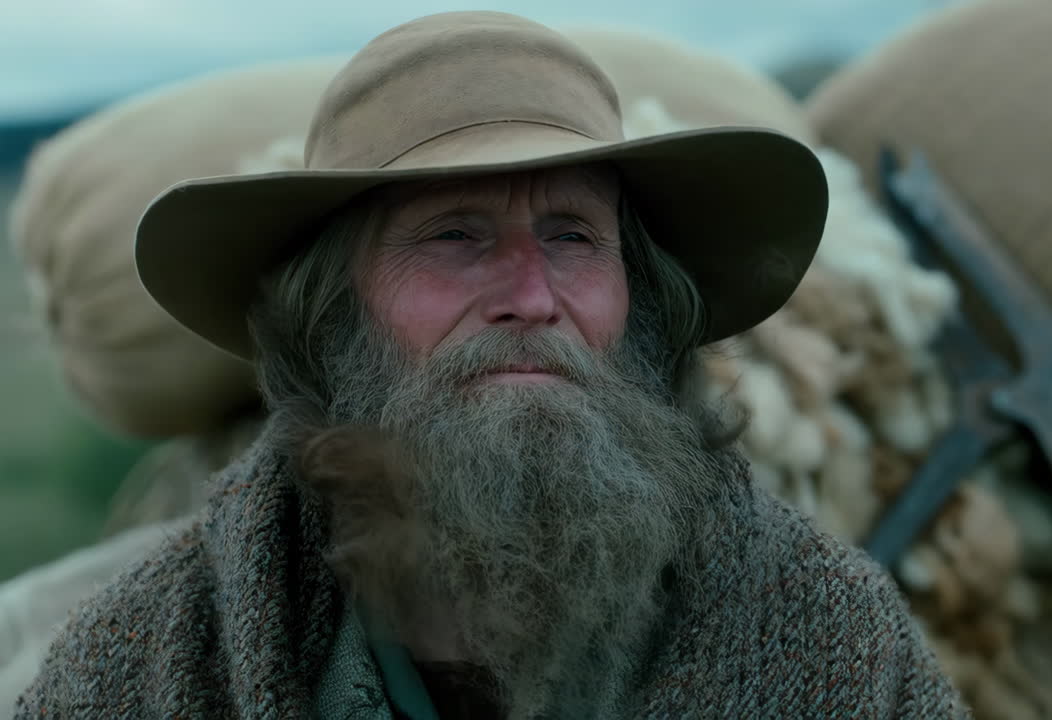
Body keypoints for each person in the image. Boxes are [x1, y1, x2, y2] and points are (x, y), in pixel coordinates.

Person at [16, 11, 970, 719]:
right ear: (336, 314)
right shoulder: (158, 658)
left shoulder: (832, 640)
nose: (531, 291)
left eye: (573, 236)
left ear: (639, 302)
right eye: (455, 236)